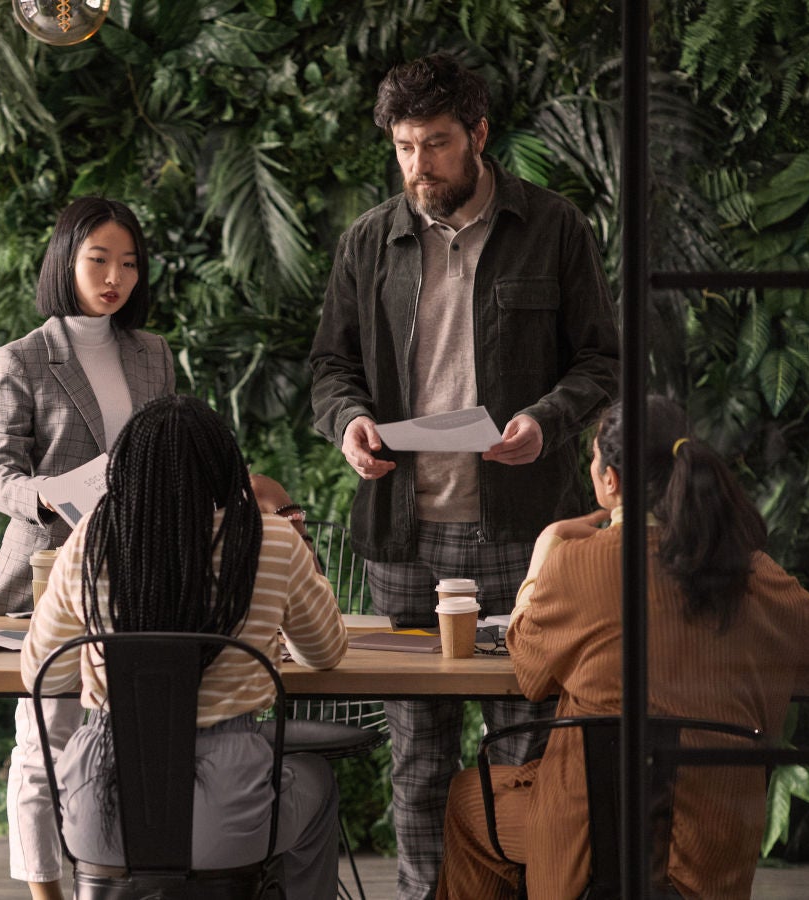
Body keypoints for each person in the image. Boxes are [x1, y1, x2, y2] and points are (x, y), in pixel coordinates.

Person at [307, 52, 621, 898]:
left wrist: (547, 422)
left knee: (522, 752)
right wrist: (350, 426)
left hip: (521, 533)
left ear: (479, 136)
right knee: (418, 753)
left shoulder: (553, 227)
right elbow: (330, 371)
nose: (419, 166)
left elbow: (601, 360)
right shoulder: (370, 240)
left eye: (437, 144)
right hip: (403, 538)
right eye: (405, 147)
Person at [437, 396, 809, 898]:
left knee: (471, 799)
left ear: (611, 479)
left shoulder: (575, 564)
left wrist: (544, 551)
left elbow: (530, 672)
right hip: (713, 860)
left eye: (593, 458)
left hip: (591, 849)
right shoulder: (752, 571)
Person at [21, 395, 350, 898]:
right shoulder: (273, 540)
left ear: (125, 468)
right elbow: (323, 652)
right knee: (317, 782)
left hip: (102, 815)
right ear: (225, 468)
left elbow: (42, 671)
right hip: (229, 816)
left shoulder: (92, 537)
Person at [0, 197, 176, 899]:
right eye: (99, 259)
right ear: (66, 260)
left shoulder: (151, 353)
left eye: (128, 263)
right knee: (44, 742)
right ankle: (46, 891)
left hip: (138, 570)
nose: (114, 276)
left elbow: (166, 451)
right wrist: (51, 491)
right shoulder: (24, 357)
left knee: (123, 742)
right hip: (51, 570)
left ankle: (108, 877)